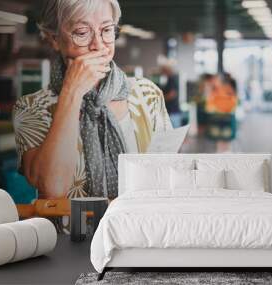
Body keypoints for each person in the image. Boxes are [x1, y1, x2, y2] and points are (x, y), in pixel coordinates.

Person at [13, 0, 172, 200]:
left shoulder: (147, 95)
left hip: (141, 228)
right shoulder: (31, 108)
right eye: (81, 32)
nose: (98, 45)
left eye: (106, 30)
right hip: (70, 231)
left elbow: (170, 178)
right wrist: (72, 92)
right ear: (54, 39)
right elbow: (53, 188)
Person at [160, 63, 182, 127]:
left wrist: (161, 98)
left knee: (174, 134)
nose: (162, 72)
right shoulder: (168, 80)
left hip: (173, 113)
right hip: (171, 112)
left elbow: (172, 94)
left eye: (163, 70)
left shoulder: (171, 79)